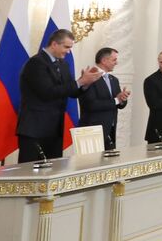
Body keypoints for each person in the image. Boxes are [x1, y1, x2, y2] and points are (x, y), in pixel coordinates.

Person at [16, 30, 102, 162]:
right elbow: (47, 92)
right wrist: (80, 82)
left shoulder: (63, 64)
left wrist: (85, 84)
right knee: (30, 171)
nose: (68, 51)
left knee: (53, 170)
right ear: (54, 44)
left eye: (70, 48)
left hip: (55, 128)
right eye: (66, 47)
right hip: (35, 128)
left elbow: (71, 92)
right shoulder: (36, 63)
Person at [78, 46, 130, 150]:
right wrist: (116, 100)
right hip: (92, 130)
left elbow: (119, 104)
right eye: (114, 60)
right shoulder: (89, 77)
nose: (116, 63)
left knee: (109, 163)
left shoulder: (113, 79)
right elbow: (91, 105)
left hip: (110, 129)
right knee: (92, 164)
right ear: (104, 60)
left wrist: (123, 99)